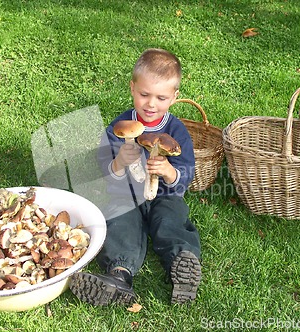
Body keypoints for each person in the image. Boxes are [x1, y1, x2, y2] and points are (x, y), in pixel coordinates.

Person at [69, 48, 201, 306]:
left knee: (170, 221)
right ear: (132, 88)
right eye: (144, 94)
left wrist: (169, 172)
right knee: (119, 221)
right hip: (126, 196)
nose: (151, 104)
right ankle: (119, 275)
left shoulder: (176, 130)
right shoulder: (119, 127)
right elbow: (105, 167)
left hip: (165, 196)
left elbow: (186, 172)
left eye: (161, 98)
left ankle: (182, 262)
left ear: (174, 97)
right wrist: (119, 163)